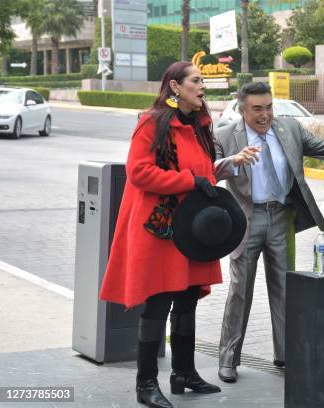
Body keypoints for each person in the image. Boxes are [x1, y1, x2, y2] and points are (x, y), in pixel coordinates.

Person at [214, 81, 324, 383]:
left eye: (269, 107)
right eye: (257, 109)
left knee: (286, 289)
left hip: (281, 216)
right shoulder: (225, 135)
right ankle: (228, 359)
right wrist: (232, 162)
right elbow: (207, 169)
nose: (265, 114)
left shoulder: (289, 129)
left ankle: (287, 354)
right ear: (243, 110)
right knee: (240, 290)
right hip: (247, 218)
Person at [100, 61, 225, 408]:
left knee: (187, 299)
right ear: (175, 86)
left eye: (202, 81)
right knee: (159, 302)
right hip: (161, 226)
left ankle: (184, 372)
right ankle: (145, 384)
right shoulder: (152, 123)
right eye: (196, 81)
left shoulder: (199, 124)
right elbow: (139, 172)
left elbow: (204, 169)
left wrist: (211, 179)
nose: (202, 87)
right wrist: (190, 181)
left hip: (192, 227)